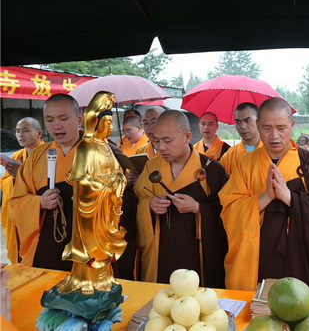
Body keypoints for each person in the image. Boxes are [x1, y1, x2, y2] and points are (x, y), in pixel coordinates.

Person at [219, 97, 309, 291]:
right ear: (258, 126)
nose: (274, 135)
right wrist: (265, 197)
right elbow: (229, 210)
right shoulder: (245, 164)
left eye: (281, 128)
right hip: (257, 259)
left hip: (300, 260)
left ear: (292, 126)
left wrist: (290, 198)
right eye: (267, 128)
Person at [134, 111, 228, 287]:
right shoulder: (151, 167)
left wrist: (199, 208)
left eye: (167, 141)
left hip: (197, 254)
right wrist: (149, 205)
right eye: (157, 140)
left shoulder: (212, 170)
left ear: (187, 137)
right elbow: (137, 200)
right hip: (160, 253)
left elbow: (228, 212)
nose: (161, 147)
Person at [57, 91, 126, 295]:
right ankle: (84, 280)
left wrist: (119, 180)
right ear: (95, 122)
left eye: (112, 122)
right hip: (90, 210)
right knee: (89, 248)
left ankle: (104, 278)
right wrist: (107, 184)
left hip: (105, 211)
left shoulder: (106, 147)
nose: (111, 127)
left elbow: (118, 172)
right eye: (107, 122)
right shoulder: (87, 147)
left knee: (105, 249)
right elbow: (81, 181)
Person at [10, 94, 83, 270]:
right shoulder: (37, 156)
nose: (56, 126)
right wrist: (39, 203)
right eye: (49, 120)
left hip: (86, 245)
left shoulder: (99, 152)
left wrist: (94, 199)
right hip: (46, 247)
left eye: (63, 118)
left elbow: (122, 199)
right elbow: (16, 203)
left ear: (79, 118)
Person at [0, 117, 44, 264]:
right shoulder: (17, 156)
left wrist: (22, 173)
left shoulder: (48, 155)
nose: (20, 135)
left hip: (38, 213)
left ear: (39, 134)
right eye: (18, 131)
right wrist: (14, 177)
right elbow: (4, 183)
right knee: (18, 250)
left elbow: (46, 184)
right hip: (18, 213)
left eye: (26, 131)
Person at [220, 102, 262, 176]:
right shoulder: (228, 157)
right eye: (238, 122)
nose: (242, 126)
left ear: (258, 121)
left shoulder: (271, 151)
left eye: (247, 121)